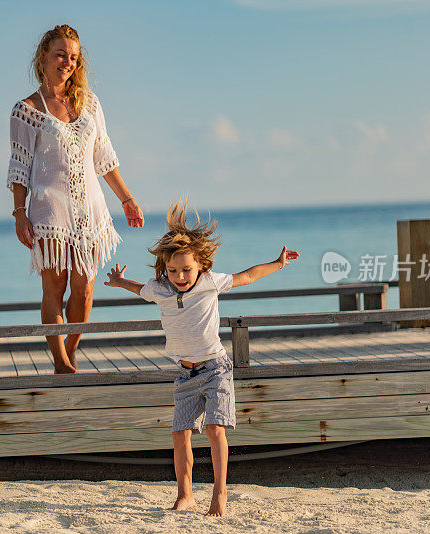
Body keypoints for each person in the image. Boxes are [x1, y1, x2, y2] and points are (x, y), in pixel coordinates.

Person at [104, 201, 299, 517]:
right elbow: (142, 289)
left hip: (216, 368)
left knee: (214, 429)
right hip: (185, 374)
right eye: (173, 270)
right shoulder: (161, 289)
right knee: (179, 435)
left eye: (187, 270)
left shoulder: (211, 283)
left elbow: (247, 276)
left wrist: (277, 264)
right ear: (164, 269)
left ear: (201, 266)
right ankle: (185, 495)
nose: (180, 276)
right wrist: (120, 282)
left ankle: (219, 495)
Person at [7, 25, 144, 374]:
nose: (67, 62)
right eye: (60, 54)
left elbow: (104, 158)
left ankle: (68, 350)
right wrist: (19, 213)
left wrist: (127, 198)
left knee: (83, 290)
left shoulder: (89, 103)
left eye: (73, 56)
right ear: (43, 56)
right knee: (54, 285)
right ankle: (61, 362)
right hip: (49, 209)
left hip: (90, 209)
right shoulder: (26, 110)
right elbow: (20, 166)